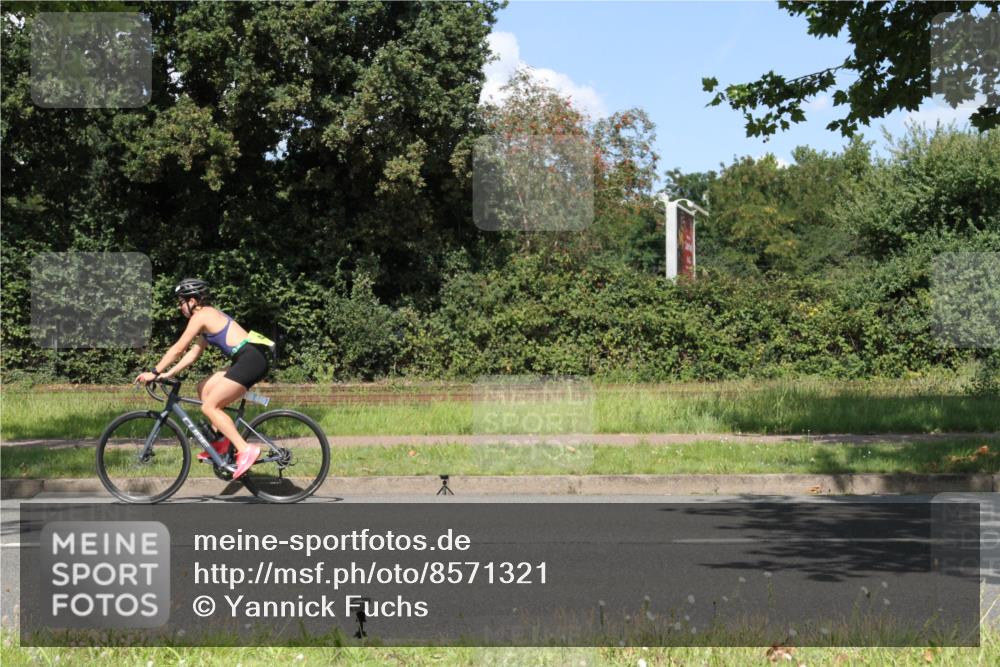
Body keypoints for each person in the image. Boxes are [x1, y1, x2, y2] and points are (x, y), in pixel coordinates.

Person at [134, 278, 275, 479]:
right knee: (204, 388)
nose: (179, 306)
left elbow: (179, 348)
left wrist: (154, 371)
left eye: (181, 301)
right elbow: (192, 354)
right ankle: (222, 442)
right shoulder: (207, 318)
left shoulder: (202, 315)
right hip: (248, 357)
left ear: (193, 301)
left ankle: (245, 449)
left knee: (209, 406)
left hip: (250, 359)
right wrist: (168, 374)